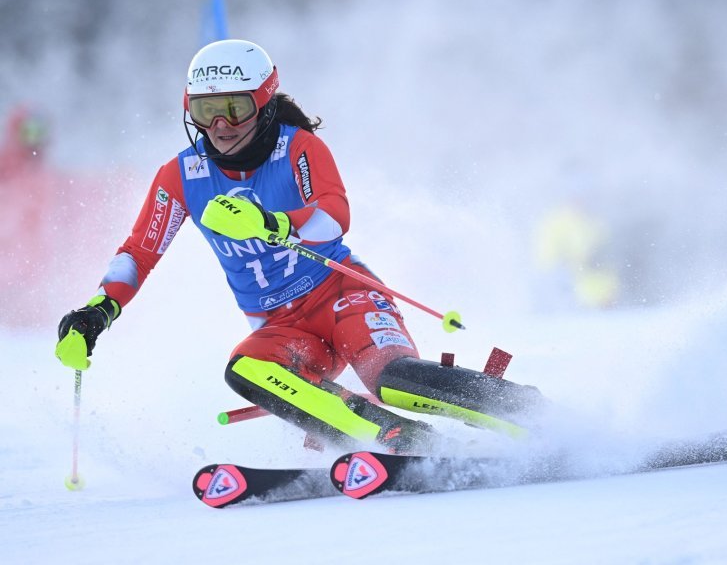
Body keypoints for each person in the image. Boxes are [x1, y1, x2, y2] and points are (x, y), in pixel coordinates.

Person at [55, 39, 539, 454]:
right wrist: (98, 312)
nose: (220, 124)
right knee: (245, 368)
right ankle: (394, 439)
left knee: (393, 380)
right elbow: (140, 252)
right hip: (282, 327)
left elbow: (334, 217)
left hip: (342, 295)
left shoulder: (299, 147)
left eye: (235, 108)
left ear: (263, 104)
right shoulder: (181, 175)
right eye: (206, 110)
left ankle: (528, 413)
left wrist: (271, 222)